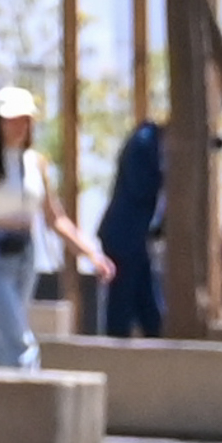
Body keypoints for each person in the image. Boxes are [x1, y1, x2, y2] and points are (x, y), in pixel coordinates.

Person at [0, 87, 104, 371]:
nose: (19, 126)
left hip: (24, 255)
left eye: (24, 119)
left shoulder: (36, 163)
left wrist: (90, 253)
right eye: (12, 119)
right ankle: (31, 402)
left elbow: (54, 218)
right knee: (18, 342)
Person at [90, 116, 167, 341]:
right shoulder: (143, 142)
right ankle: (114, 358)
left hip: (138, 239)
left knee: (150, 310)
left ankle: (155, 355)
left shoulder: (152, 142)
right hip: (123, 237)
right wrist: (168, 177)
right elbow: (140, 186)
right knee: (121, 306)